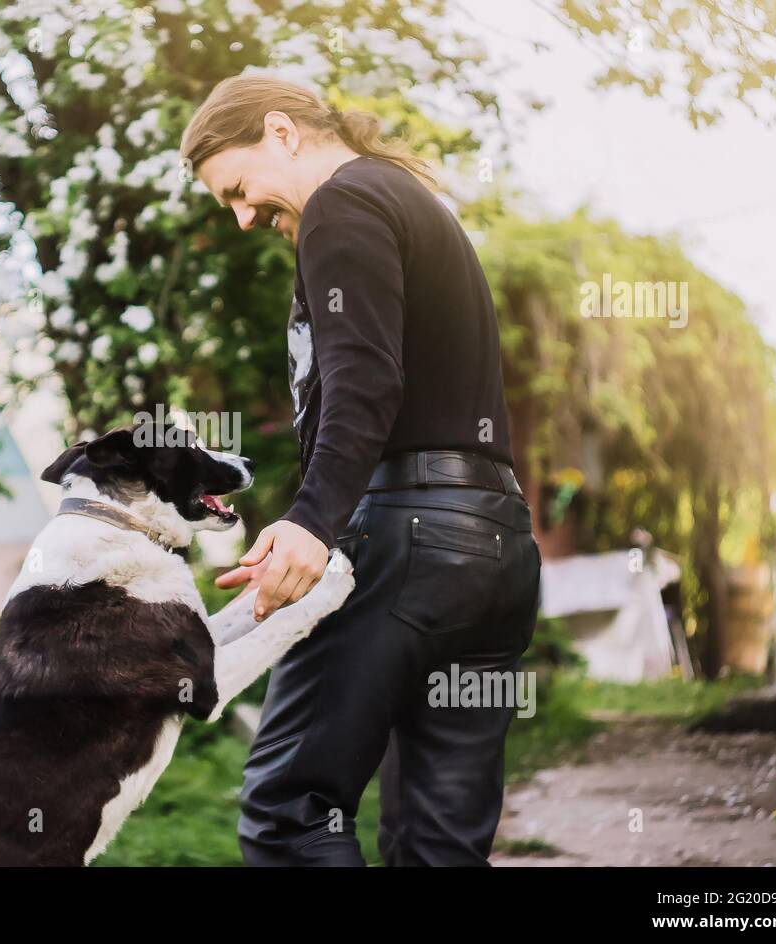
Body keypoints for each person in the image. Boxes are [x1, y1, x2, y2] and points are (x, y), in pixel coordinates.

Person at [180, 75, 542, 866]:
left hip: (401, 543)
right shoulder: (409, 203)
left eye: (238, 190)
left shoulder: (342, 204)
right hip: (495, 551)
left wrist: (312, 522)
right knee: (438, 839)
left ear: (282, 131)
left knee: (289, 811)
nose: (243, 218)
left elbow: (366, 381)